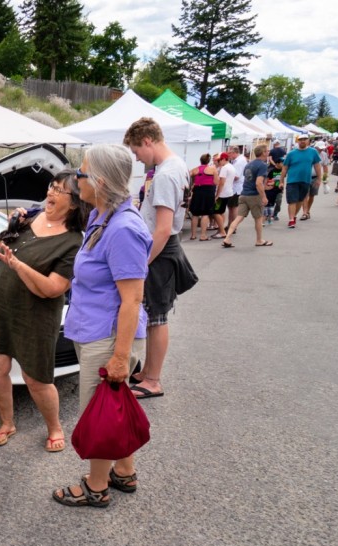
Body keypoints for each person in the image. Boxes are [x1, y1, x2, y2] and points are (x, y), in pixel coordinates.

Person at [52, 144, 149, 508]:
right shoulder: (101, 215)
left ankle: (95, 486)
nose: (76, 178)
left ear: (101, 181)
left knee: (99, 413)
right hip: (92, 329)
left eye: (81, 172)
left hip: (108, 337)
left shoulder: (123, 228)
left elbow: (132, 300)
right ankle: (123, 471)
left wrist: (121, 359)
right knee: (109, 407)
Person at [0, 170, 83, 451]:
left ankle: (54, 427)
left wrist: (17, 264)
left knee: (36, 378)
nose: (51, 192)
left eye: (59, 190)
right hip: (1, 305)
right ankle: (7, 422)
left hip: (35, 316)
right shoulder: (29, 217)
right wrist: (8, 230)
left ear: (73, 203)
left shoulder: (73, 242)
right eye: (51, 186)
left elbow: (51, 288)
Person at [124, 117, 186, 400]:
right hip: (162, 250)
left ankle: (153, 380)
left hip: (159, 252)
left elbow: (162, 228)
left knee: (157, 318)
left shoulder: (164, 175)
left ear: (148, 141)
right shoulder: (173, 166)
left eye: (137, 151)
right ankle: (147, 370)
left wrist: (142, 263)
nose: (138, 158)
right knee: (152, 315)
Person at [222, 144, 272, 247]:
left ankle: (227, 238)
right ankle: (259, 240)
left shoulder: (249, 164)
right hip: (254, 195)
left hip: (244, 193)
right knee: (258, 218)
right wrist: (263, 196)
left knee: (239, 217)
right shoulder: (262, 165)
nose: (268, 152)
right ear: (263, 152)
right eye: (267, 151)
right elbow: (258, 182)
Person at [280, 134, 322, 228]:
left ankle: (294, 216)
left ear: (308, 141)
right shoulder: (291, 153)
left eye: (304, 139)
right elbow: (285, 168)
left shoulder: (313, 152)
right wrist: (281, 180)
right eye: (300, 139)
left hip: (305, 180)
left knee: (300, 200)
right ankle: (291, 220)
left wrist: (319, 178)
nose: (302, 141)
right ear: (297, 141)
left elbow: (317, 166)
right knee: (292, 201)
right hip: (292, 180)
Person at [188, 154, 218, 241]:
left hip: (197, 191)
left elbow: (187, 177)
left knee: (195, 213)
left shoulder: (195, 169)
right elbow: (216, 182)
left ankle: (193, 235)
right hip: (208, 191)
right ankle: (203, 235)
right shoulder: (212, 169)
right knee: (205, 213)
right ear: (208, 161)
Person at [214, 152, 237, 237]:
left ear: (224, 159)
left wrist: (217, 195)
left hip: (223, 194)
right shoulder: (231, 167)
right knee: (221, 212)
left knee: (216, 212)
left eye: (219, 160)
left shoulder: (224, 168)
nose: (218, 162)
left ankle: (222, 231)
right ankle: (221, 230)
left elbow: (222, 183)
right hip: (229, 192)